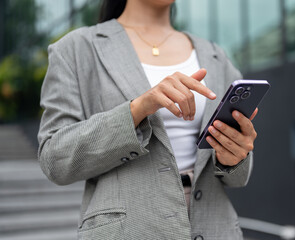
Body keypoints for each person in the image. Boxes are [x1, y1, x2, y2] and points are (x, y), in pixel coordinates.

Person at [37, 0, 258, 239]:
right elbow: (55, 159)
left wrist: (234, 157)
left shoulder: (215, 55)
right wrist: (138, 109)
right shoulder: (77, 48)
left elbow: (237, 178)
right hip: (129, 230)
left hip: (216, 227)